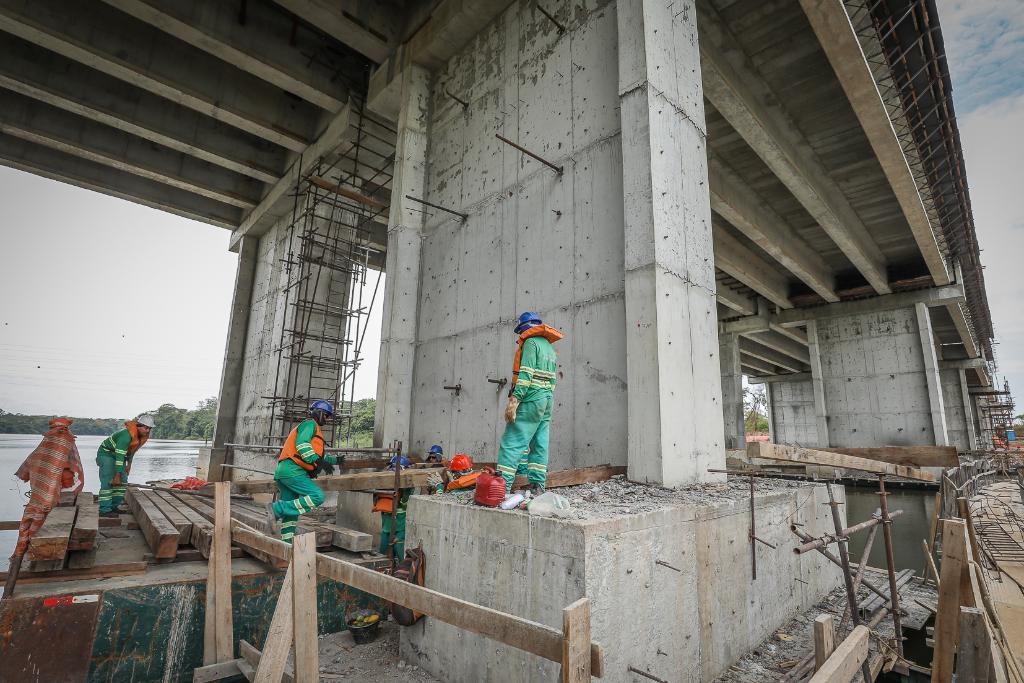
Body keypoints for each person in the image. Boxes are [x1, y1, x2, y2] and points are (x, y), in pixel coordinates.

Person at [4, 417, 84, 598]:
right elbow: (64, 469)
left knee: (30, 524)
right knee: (37, 520)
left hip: (44, 497)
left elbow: (31, 465)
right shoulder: (62, 442)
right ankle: (23, 557)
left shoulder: (49, 443)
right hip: (47, 499)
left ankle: (18, 562)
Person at [496, 312, 563, 495]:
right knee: (539, 442)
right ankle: (537, 486)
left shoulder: (530, 343)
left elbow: (525, 375)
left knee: (512, 440)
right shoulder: (549, 347)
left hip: (531, 398)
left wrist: (515, 400)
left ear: (524, 328)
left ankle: (500, 488)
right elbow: (552, 380)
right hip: (547, 399)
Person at [264, 400, 340, 544]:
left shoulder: (311, 428)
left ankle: (286, 544)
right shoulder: (310, 424)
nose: (328, 419)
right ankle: (276, 508)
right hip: (293, 471)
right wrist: (317, 461)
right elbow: (302, 445)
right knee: (317, 496)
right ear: (319, 413)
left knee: (291, 514)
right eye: (327, 415)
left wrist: (336, 460)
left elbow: (320, 456)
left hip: (284, 472)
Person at [97, 414, 154, 517]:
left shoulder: (140, 437)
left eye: (149, 428)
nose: (148, 431)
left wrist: (129, 465)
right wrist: (117, 475)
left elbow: (132, 451)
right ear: (138, 425)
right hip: (107, 454)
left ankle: (114, 507)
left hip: (120, 456)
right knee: (108, 481)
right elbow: (119, 456)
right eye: (146, 428)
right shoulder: (125, 436)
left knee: (122, 482)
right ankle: (104, 510)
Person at [372, 454, 411, 558]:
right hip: (397, 528)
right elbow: (405, 502)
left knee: (384, 556)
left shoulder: (382, 482)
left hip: (390, 527)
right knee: (398, 557)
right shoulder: (407, 486)